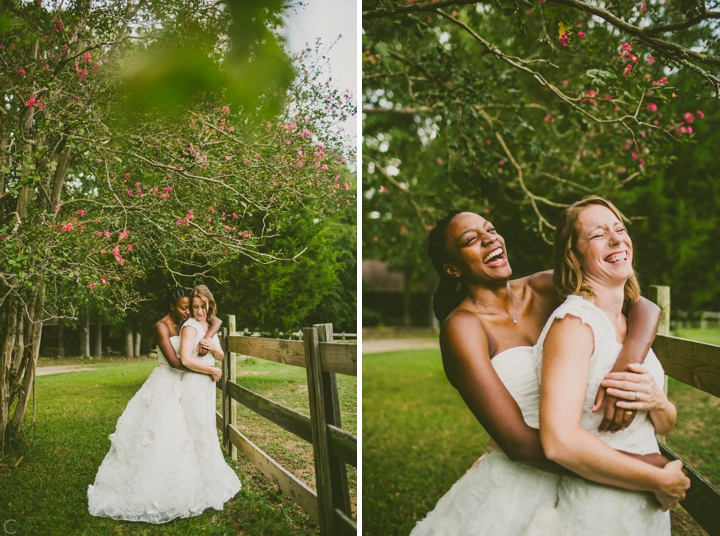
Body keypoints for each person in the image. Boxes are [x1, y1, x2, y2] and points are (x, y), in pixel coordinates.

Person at [410, 209, 675, 535]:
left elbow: (642, 305)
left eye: (490, 229)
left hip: (587, 465)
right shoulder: (463, 328)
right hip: (530, 475)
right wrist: (643, 468)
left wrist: (623, 372)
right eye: (471, 240)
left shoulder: (545, 286)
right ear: (452, 269)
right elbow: (517, 442)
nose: (489, 239)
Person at [535, 196, 689, 535]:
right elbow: (558, 441)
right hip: (599, 509)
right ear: (573, 256)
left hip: (646, 511)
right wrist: (659, 478)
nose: (618, 238)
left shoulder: (630, 324)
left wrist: (659, 402)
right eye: (598, 235)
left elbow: (662, 425)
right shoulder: (573, 324)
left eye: (619, 229)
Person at [88, 287, 223, 523]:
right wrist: (205, 370)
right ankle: (152, 485)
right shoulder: (161, 326)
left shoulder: (188, 323)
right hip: (167, 380)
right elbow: (175, 361)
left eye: (189, 307)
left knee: (183, 436)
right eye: (184, 308)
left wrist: (209, 335)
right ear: (172, 307)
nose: (187, 312)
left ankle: (183, 479)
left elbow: (215, 319)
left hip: (184, 382)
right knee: (161, 434)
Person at [179, 285, 241, 510]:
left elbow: (221, 355)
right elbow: (186, 360)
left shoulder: (208, 327)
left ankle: (209, 478)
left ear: (209, 305)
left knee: (206, 428)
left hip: (207, 387)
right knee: (196, 431)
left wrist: (215, 348)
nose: (199, 311)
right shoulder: (190, 327)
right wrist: (212, 371)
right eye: (195, 307)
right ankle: (192, 484)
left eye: (203, 306)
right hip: (195, 384)